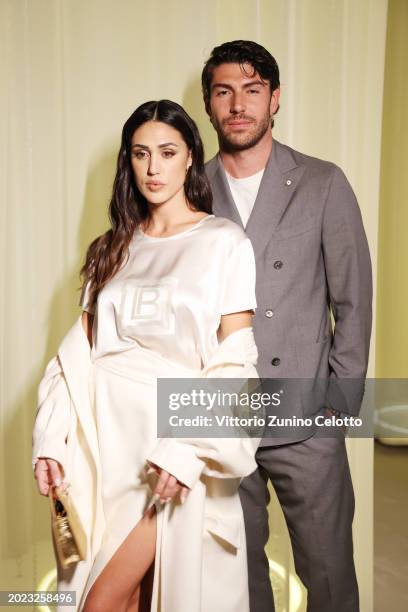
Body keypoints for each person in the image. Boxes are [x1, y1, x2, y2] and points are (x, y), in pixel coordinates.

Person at [32, 99, 261, 612]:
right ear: (128, 162)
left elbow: (236, 361)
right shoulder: (110, 248)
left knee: (108, 602)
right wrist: (52, 439)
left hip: (172, 446)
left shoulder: (224, 242)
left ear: (189, 158)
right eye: (141, 154)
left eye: (167, 152)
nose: (153, 167)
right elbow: (76, 358)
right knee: (130, 599)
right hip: (105, 450)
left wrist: (183, 451)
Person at [202, 40, 372, 612]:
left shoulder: (323, 182)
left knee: (327, 576)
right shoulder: (191, 190)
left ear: (275, 99)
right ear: (208, 104)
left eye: (252, 91)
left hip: (307, 414)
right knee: (236, 580)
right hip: (221, 416)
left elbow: (353, 298)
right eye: (224, 91)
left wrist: (339, 401)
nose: (238, 105)